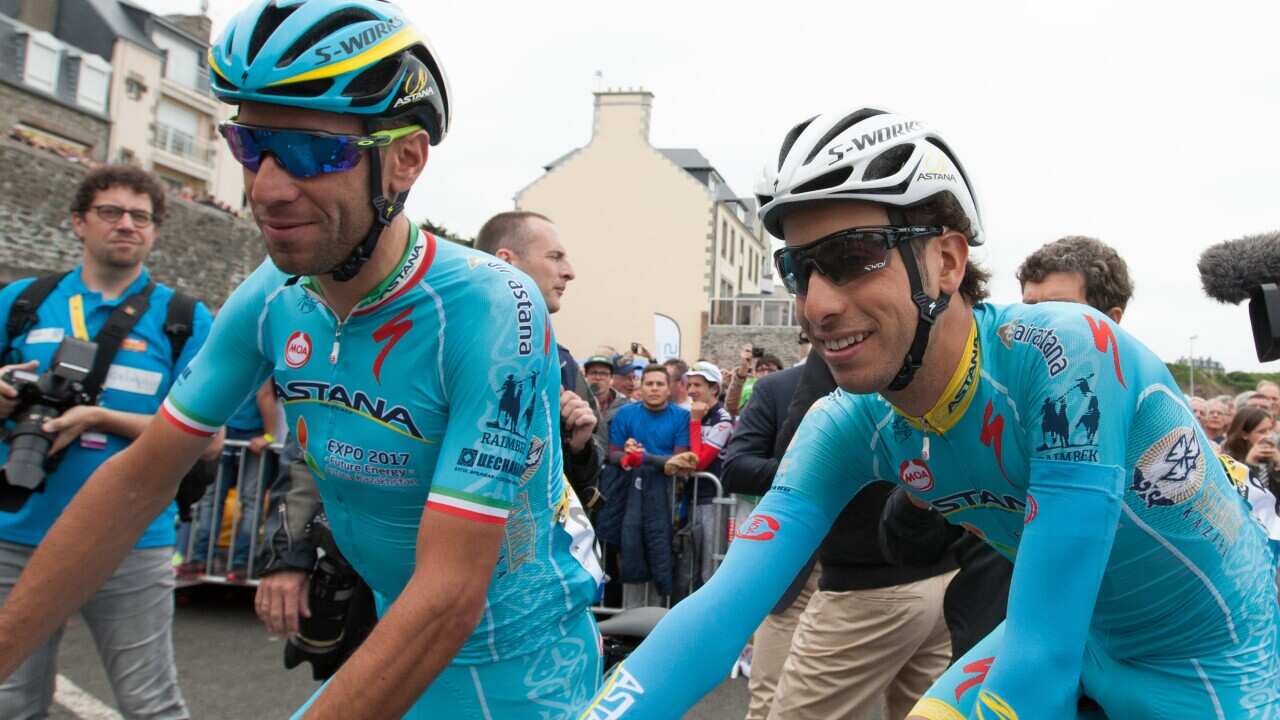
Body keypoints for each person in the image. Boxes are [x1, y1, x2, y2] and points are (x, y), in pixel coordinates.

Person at [575, 107, 1280, 719]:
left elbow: (1041, 662)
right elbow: (713, 618)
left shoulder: (1065, 355)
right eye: (799, 271)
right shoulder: (845, 421)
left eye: (853, 256)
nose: (817, 302)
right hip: (1084, 637)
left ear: (946, 261)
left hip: (1218, 661)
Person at [0, 3, 601, 718]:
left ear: (405, 159)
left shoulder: (494, 307)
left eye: (313, 151)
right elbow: (136, 483)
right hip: (398, 637)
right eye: (251, 146)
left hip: (520, 669)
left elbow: (449, 595)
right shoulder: (273, 295)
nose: (267, 188)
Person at [0, 164, 214, 719]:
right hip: (17, 532)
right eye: (111, 213)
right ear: (78, 222)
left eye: (141, 217)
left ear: (155, 231)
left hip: (130, 538)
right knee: (11, 700)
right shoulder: (22, 301)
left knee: (150, 705)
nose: (127, 225)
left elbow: (208, 440)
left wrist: (99, 417)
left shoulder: (183, 319)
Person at [475, 211, 604, 508]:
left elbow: (582, 482)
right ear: (506, 262)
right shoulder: (442, 344)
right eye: (555, 256)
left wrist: (578, 447)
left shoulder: (561, 363)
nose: (569, 272)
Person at [719, 365, 810, 720]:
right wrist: (816, 471)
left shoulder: (893, 380)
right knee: (772, 694)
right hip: (792, 571)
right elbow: (736, 467)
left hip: (878, 577)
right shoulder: (777, 388)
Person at [681, 361, 734, 587]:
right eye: (689, 384)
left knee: (709, 567)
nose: (692, 390)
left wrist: (694, 422)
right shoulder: (691, 412)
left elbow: (698, 462)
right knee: (689, 563)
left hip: (713, 499)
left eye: (698, 385)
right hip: (691, 497)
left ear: (714, 389)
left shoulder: (722, 419)